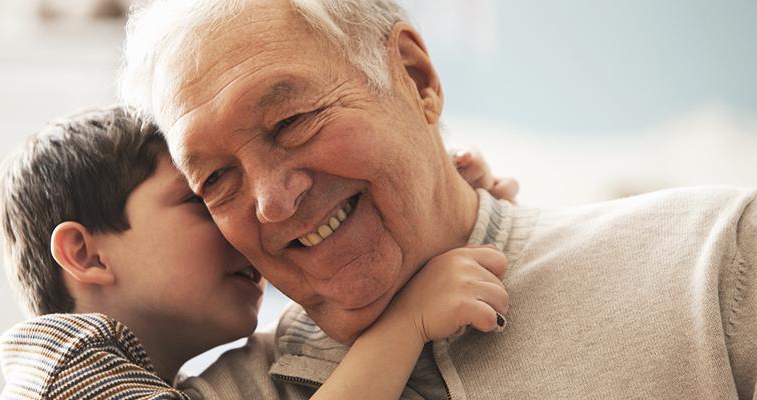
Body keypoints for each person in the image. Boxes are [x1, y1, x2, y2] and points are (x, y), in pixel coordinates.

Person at [117, 0, 757, 399]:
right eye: (216, 181)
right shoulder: (221, 394)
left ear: (416, 79)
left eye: (291, 122)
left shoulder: (714, 262)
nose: (272, 203)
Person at [0, 105, 515, 399]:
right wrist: (408, 321)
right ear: (86, 254)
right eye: (204, 197)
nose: (246, 221)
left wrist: (440, 210)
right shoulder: (65, 372)